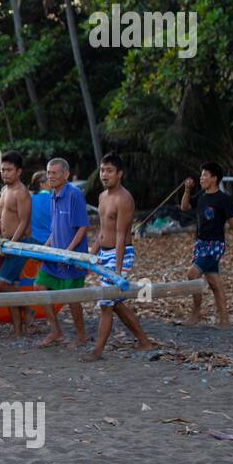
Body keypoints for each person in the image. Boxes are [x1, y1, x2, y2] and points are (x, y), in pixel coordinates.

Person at [84, 153, 152, 360]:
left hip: (120, 254)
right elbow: (102, 231)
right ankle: (144, 341)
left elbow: (121, 235)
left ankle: (97, 351)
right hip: (104, 253)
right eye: (102, 170)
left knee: (106, 304)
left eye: (109, 171)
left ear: (120, 174)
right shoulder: (102, 197)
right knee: (115, 303)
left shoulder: (124, 199)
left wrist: (117, 270)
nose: (104, 175)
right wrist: (90, 257)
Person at [181, 162, 233, 327]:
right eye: (201, 175)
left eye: (205, 175)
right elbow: (184, 207)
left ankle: (195, 315)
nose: (201, 178)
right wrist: (187, 190)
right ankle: (225, 320)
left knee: (192, 274)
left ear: (214, 178)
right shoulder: (201, 195)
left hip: (215, 246)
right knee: (214, 282)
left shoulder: (223, 199)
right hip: (200, 244)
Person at [35, 158, 90, 348]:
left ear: (66, 174)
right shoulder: (53, 195)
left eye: (54, 173)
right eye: (48, 173)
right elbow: (55, 228)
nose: (50, 176)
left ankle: (81, 336)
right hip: (55, 255)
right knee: (39, 286)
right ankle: (55, 332)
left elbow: (83, 227)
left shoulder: (75, 194)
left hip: (73, 257)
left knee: (71, 298)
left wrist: (68, 252)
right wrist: (45, 248)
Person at [0, 151, 32, 337]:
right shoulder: (4, 190)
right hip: (5, 243)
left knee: (1, 283)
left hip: (19, 243)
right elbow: (1, 220)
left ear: (18, 171)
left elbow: (24, 222)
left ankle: (27, 307)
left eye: (9, 170)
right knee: (12, 287)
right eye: (3, 170)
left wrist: (13, 244)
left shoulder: (21, 192)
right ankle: (18, 332)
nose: (5, 173)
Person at [29, 171, 52, 247]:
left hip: (32, 239)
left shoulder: (29, 198)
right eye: (49, 180)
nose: (52, 182)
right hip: (50, 241)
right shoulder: (53, 199)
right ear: (41, 184)